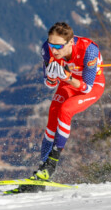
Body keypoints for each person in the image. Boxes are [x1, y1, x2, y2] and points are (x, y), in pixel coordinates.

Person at [31, 21, 105, 181]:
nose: (54, 50)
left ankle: (51, 164)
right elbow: (50, 84)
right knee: (52, 116)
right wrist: (51, 76)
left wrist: (67, 77)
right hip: (68, 81)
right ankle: (42, 168)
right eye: (51, 45)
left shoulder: (89, 50)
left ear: (70, 42)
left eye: (58, 47)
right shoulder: (47, 49)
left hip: (90, 85)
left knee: (66, 110)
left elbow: (86, 88)